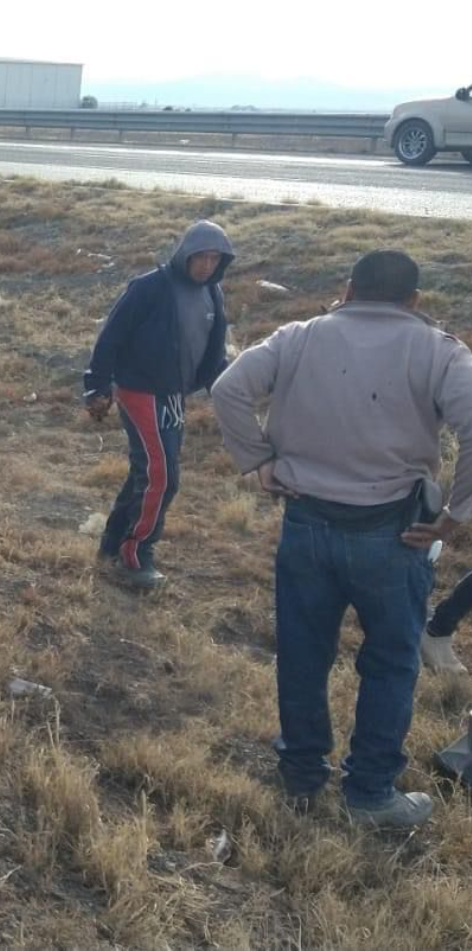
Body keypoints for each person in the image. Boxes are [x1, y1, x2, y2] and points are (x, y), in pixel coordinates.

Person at [212, 249, 472, 829]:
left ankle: (302, 775)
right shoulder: (438, 350)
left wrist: (256, 459)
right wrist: (456, 514)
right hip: (394, 534)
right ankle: (370, 794)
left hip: (306, 523)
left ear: (348, 288)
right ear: (415, 301)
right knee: (390, 662)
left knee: (304, 654)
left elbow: (228, 388)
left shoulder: (299, 336)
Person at [82, 220, 236, 588]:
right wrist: (97, 388)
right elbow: (110, 338)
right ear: (185, 254)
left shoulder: (213, 294)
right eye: (201, 257)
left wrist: (228, 390)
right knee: (162, 477)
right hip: (139, 391)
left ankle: (111, 544)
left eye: (215, 259)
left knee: (147, 472)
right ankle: (135, 555)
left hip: (174, 396)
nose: (207, 265)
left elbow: (214, 354)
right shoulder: (149, 288)